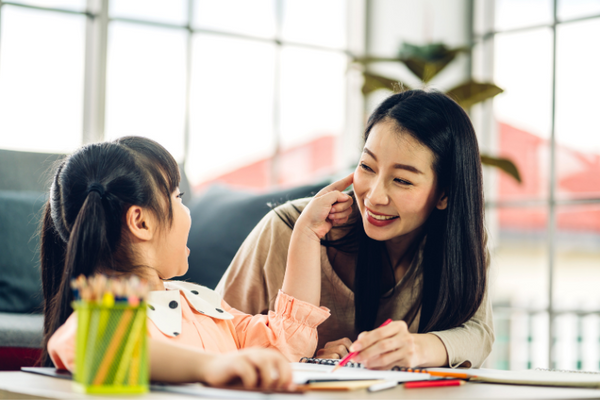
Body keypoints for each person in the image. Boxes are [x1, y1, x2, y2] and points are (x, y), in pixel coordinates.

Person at [217, 89, 494, 370]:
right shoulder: (288, 228)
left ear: (444, 195)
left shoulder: (456, 241)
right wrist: (304, 362)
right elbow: (211, 332)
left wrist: (417, 347)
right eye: (367, 166)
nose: (374, 197)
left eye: (401, 180)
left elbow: (478, 332)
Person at [41, 136, 346, 390]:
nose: (187, 211)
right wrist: (211, 366)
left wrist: (306, 233)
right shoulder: (112, 310)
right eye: (179, 197)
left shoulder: (199, 303)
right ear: (141, 221)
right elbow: (87, 342)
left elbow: (284, 346)